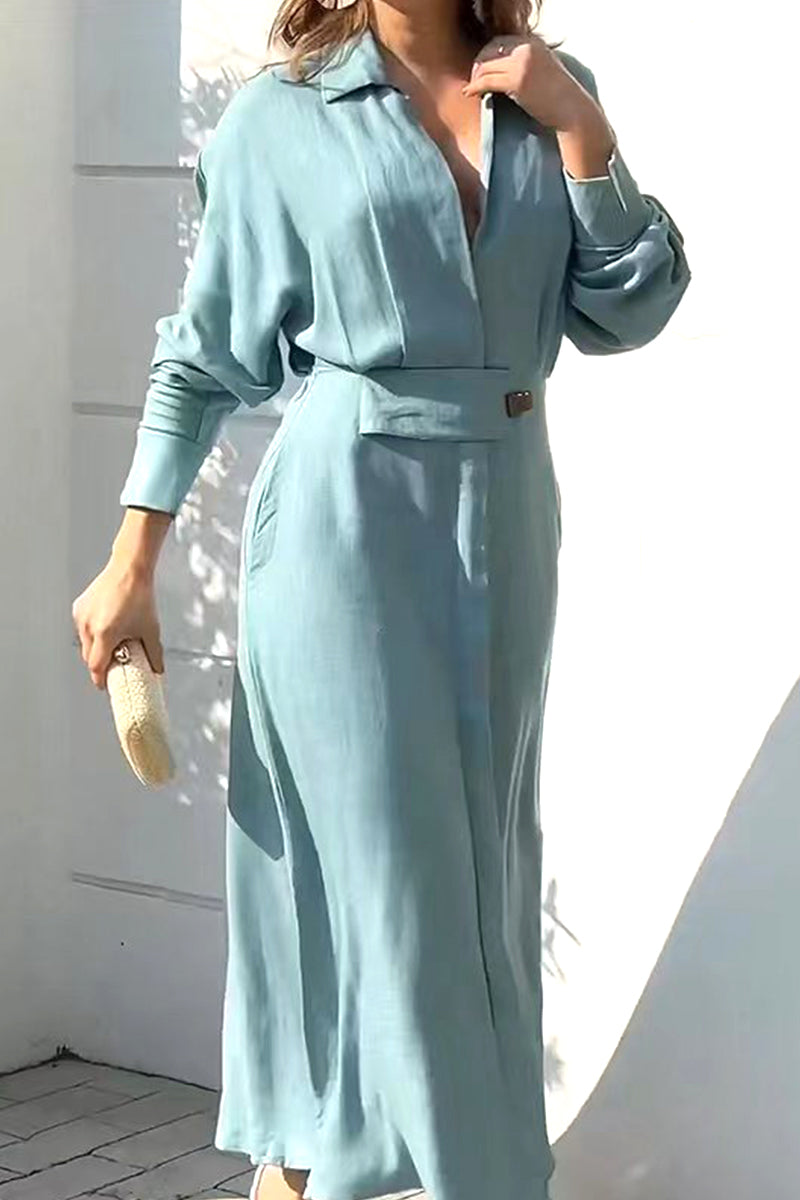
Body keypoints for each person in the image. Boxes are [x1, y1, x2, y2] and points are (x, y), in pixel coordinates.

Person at [71, 1, 691, 1198]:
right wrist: (131, 558)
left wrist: (577, 127)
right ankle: (444, 1177)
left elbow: (632, 306)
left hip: (507, 526)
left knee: (477, 889)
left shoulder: (547, 92)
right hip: (339, 535)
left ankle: (299, 1179)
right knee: (381, 893)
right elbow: (204, 353)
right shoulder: (281, 117)